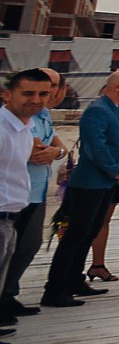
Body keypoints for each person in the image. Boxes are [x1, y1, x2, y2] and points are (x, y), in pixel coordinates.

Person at [42, 70, 119, 308]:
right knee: (75, 235)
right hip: (90, 183)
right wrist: (116, 170)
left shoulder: (118, 110)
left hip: (105, 183)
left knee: (89, 232)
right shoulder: (98, 110)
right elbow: (95, 147)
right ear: (117, 86)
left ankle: (75, 279)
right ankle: (54, 288)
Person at [2, 67, 66, 322]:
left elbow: (56, 147)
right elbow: (39, 150)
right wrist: (53, 151)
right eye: (29, 93)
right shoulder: (12, 123)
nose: (37, 99)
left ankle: (7, 297)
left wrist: (57, 152)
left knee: (24, 249)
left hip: (29, 195)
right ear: (9, 94)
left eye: (44, 92)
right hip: (10, 202)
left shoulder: (35, 118)